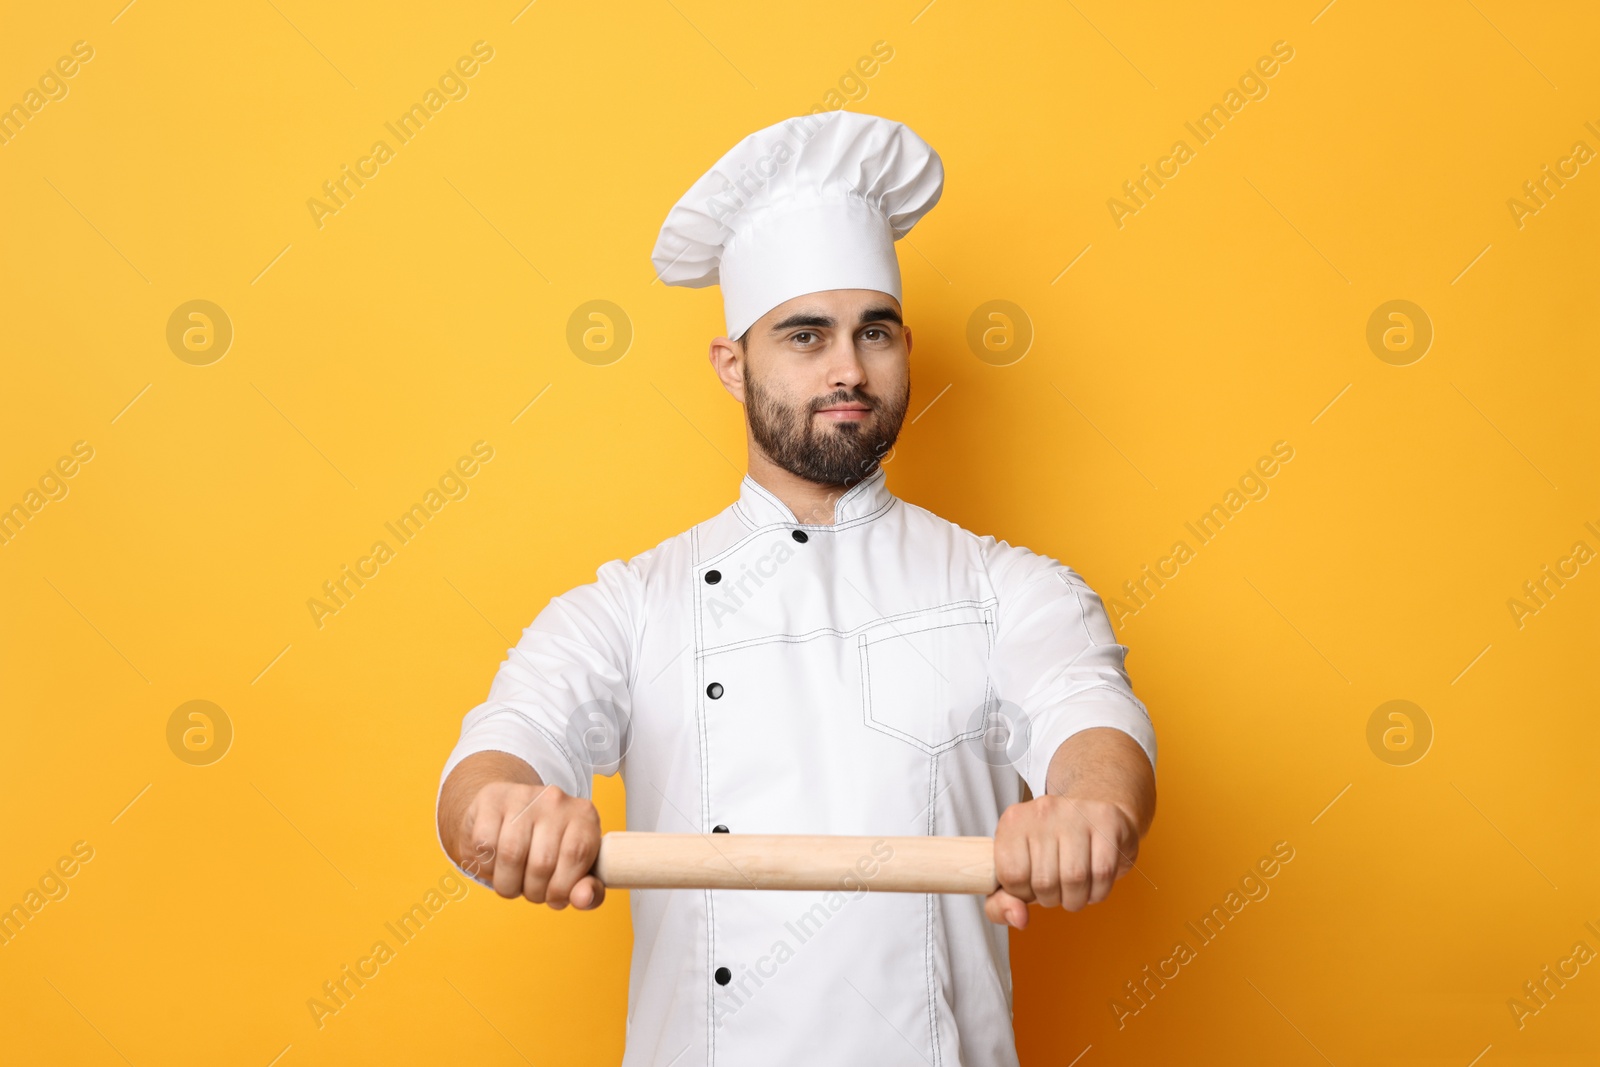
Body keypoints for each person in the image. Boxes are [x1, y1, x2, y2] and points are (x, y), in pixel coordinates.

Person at [435, 110, 1157, 1066]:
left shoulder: (1007, 586)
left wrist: (1087, 811)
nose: (848, 369)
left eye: (875, 334)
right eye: (806, 336)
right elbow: (500, 749)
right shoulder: (630, 605)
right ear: (734, 367)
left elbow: (1092, 720)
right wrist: (503, 812)